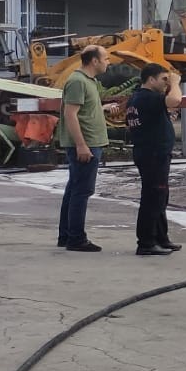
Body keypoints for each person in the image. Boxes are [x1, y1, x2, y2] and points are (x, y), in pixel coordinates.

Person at [56, 45, 110, 252]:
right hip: (86, 145)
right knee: (81, 191)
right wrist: (81, 145)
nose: (108, 61)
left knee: (74, 190)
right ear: (94, 61)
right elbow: (70, 114)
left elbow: (82, 110)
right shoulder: (77, 81)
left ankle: (66, 235)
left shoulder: (89, 81)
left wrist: (101, 109)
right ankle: (76, 239)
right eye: (105, 58)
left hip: (89, 143)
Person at [126, 63, 183, 256]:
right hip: (152, 154)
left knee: (160, 197)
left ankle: (161, 238)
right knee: (152, 197)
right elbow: (175, 99)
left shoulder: (139, 98)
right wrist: (175, 82)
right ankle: (146, 242)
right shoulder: (145, 98)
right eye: (163, 79)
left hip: (154, 153)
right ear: (151, 79)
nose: (166, 82)